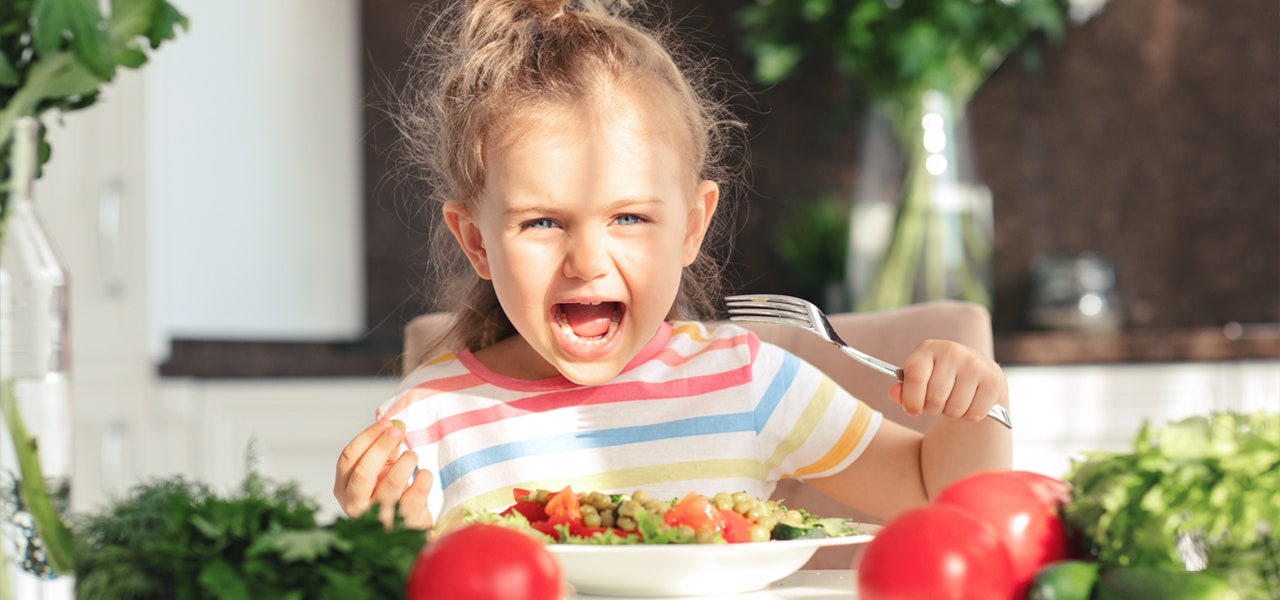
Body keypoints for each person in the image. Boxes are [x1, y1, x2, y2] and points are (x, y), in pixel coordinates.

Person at [334, 0, 1011, 533]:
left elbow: (938, 494)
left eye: (628, 218)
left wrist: (973, 409)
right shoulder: (425, 423)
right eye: (541, 222)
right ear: (475, 241)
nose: (588, 262)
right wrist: (387, 539)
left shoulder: (747, 383)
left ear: (692, 224)